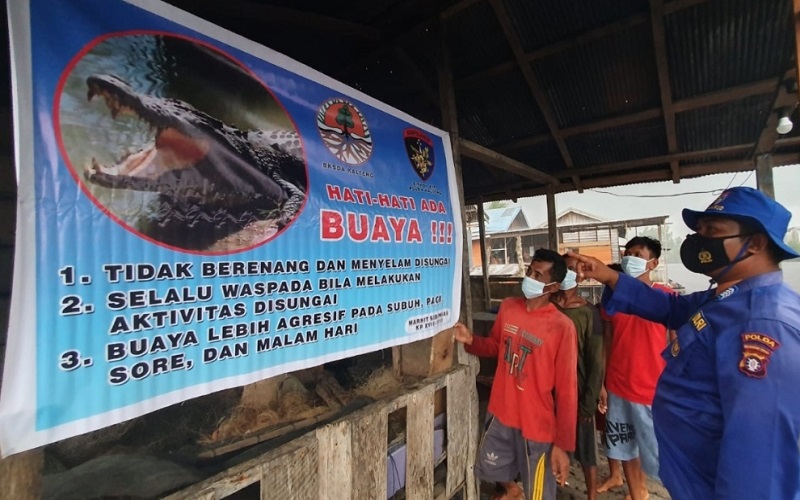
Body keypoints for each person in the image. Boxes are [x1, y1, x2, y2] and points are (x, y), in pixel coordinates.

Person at [569, 186, 800, 499]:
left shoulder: (763, 324)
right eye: (699, 230)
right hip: (694, 479)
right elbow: (669, 308)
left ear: (755, 244)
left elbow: (760, 451)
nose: (698, 239)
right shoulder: (725, 298)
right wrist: (607, 275)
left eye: (712, 230)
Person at [453, 249, 577, 500]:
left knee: (539, 493)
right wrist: (471, 341)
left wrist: (563, 445)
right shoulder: (509, 308)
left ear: (553, 287)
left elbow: (567, 390)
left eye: (538, 275)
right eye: (530, 271)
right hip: (502, 412)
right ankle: (511, 490)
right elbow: (498, 347)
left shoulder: (562, 327)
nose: (529, 277)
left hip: (537, 426)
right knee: (492, 468)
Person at [599, 237, 673, 500]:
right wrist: (603, 383)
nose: (629, 258)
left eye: (637, 254)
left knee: (657, 452)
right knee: (624, 447)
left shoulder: (667, 297)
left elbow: (678, 344)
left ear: (652, 263)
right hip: (618, 386)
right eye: (627, 253)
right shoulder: (613, 298)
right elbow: (608, 340)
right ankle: (638, 493)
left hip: (653, 389)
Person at [552, 254, 604, 500]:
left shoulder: (588, 313)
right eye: (563, 268)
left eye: (571, 269)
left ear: (580, 276)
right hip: (548, 391)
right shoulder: (547, 305)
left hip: (578, 390)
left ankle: (591, 494)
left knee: (586, 450)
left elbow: (596, 361)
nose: (567, 272)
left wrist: (589, 402)